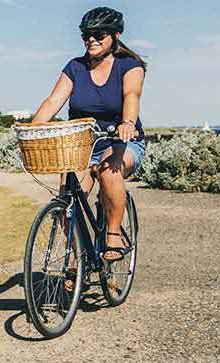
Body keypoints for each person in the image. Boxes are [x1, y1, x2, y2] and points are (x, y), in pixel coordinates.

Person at [27, 6, 148, 289]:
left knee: (109, 172)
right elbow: (53, 100)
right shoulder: (75, 67)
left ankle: (114, 234)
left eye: (99, 34)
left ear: (115, 36)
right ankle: (76, 260)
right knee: (69, 195)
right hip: (82, 143)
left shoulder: (129, 66)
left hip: (120, 139)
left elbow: (132, 94)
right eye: (86, 35)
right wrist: (33, 128)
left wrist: (127, 122)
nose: (91, 39)